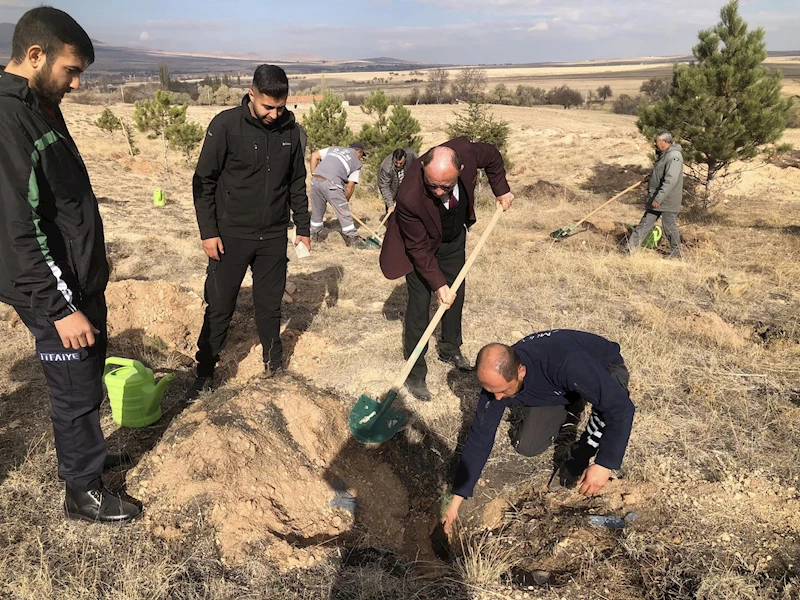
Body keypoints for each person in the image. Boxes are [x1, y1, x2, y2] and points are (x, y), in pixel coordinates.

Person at [0, 7, 140, 522]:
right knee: (75, 386)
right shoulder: (8, 120)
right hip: (54, 289)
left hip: (76, 278)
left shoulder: (38, 106)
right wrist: (60, 308)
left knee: (88, 373)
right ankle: (82, 493)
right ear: (35, 56)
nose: (77, 84)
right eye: (71, 71)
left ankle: (88, 460)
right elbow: (18, 227)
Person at [188, 64, 310, 401]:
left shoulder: (291, 131)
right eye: (268, 106)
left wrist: (302, 226)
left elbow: (297, 182)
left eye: (281, 107)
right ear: (251, 94)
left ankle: (274, 365)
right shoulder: (225, 126)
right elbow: (204, 181)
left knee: (269, 306)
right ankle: (205, 372)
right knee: (220, 305)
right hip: (230, 235)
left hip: (272, 235)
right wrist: (208, 231)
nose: (274, 114)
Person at [440, 330, 636, 534]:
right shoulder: (497, 380)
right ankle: (572, 406)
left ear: (521, 372)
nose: (497, 398)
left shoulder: (565, 363)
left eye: (503, 391)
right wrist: (456, 500)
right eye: (491, 391)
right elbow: (481, 436)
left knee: (605, 414)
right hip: (558, 387)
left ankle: (581, 432)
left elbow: (622, 408)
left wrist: (605, 464)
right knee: (528, 445)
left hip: (603, 368)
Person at [379, 138, 514, 401]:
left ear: (460, 170)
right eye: (433, 185)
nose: (439, 192)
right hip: (420, 246)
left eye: (446, 186)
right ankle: (415, 371)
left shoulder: (467, 153)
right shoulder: (409, 195)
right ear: (424, 170)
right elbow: (418, 249)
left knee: (456, 294)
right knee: (420, 304)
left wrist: (502, 189)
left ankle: (450, 348)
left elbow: (493, 157)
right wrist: (438, 285)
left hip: (453, 238)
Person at [627, 131, 684, 259]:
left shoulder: (674, 156)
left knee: (669, 226)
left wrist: (659, 198)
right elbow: (661, 173)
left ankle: (676, 254)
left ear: (665, 142)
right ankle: (630, 248)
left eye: (657, 141)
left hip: (667, 199)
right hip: (657, 198)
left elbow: (670, 180)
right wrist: (651, 177)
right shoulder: (664, 154)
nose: (654, 143)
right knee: (645, 223)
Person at [309, 142, 368, 249]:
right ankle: (352, 238)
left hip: (316, 180)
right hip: (332, 183)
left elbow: (314, 155)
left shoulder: (334, 149)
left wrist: (314, 175)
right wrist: (344, 202)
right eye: (361, 156)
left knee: (317, 210)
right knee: (343, 212)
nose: (361, 158)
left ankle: (315, 234)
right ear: (359, 152)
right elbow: (350, 186)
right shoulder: (356, 163)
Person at [378, 147, 418, 217]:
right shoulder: (386, 167)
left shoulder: (412, 156)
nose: (398, 165)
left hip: (407, 189)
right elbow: (384, 186)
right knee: (392, 215)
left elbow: (419, 166)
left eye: (401, 163)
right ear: (393, 158)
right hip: (392, 190)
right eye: (396, 163)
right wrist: (390, 204)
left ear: (405, 159)